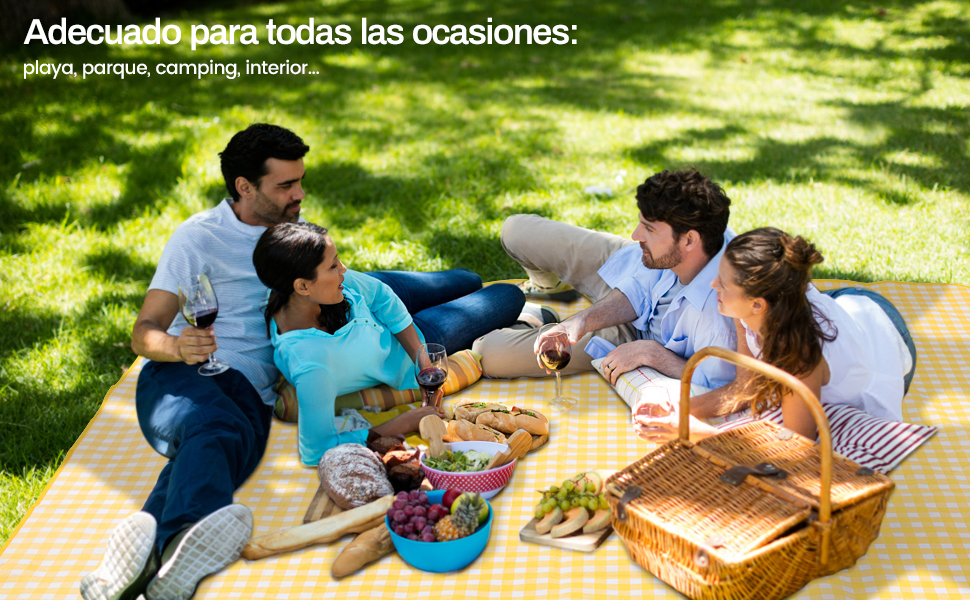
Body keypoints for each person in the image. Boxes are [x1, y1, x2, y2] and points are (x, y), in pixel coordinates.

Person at [80, 124, 312, 600]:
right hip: (180, 377)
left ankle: (136, 571)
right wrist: (177, 346)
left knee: (212, 447)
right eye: (285, 185)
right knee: (214, 427)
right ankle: (185, 541)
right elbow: (144, 332)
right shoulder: (197, 238)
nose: (300, 194)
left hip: (248, 393)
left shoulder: (292, 236)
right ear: (244, 187)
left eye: (300, 181)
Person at [252, 222, 527, 466]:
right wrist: (398, 424)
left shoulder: (295, 288)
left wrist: (423, 361)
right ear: (302, 286)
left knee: (470, 279)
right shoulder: (312, 365)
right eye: (333, 265)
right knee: (508, 294)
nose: (343, 268)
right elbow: (316, 450)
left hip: (382, 298)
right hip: (414, 338)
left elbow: (382, 296)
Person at [634, 227, 917, 442]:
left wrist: (699, 433)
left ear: (757, 303)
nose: (712, 284)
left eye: (724, 283)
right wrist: (680, 409)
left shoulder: (800, 355)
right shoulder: (751, 308)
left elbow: (796, 446)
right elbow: (744, 389)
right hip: (843, 307)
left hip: (885, 335)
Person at [473, 169, 737, 390]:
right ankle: (553, 291)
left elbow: (717, 385)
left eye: (649, 229)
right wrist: (580, 321)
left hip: (633, 335)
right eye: (640, 223)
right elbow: (639, 288)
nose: (635, 234)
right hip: (631, 264)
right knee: (516, 230)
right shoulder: (689, 236)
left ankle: (538, 316)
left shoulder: (719, 314)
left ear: (689, 240)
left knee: (486, 352)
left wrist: (652, 354)